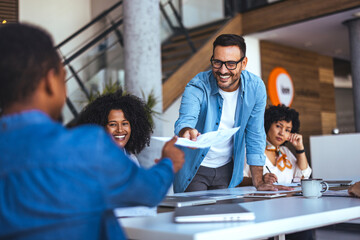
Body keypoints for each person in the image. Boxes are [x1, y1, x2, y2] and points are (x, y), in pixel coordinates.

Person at [0, 23, 184, 240]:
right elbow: (149, 191)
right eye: (63, 76)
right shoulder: (88, 147)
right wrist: (169, 162)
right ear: (50, 81)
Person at [173, 34, 289, 193]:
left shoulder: (255, 88)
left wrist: (258, 181)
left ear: (244, 63)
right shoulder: (197, 85)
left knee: (226, 216)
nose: (222, 70)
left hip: (227, 170)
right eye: (217, 62)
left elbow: (255, 134)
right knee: (197, 216)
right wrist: (186, 131)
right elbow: (185, 120)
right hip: (194, 169)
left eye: (231, 64)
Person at [74, 90, 153, 166]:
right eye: (113, 124)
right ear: (100, 127)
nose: (120, 129)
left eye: (124, 123)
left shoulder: (130, 158)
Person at [243, 104, 312, 185]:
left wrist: (300, 149)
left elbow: (304, 175)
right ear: (268, 125)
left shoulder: (285, 151)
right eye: (278, 126)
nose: (282, 133)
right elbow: (238, 180)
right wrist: (259, 180)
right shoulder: (251, 149)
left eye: (287, 130)